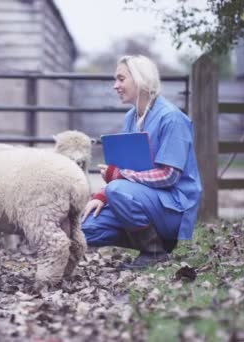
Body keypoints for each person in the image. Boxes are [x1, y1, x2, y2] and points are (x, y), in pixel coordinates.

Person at [80, 55, 202, 270]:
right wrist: (101, 195)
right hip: (141, 198)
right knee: (86, 229)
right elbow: (124, 168)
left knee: (118, 189)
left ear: (140, 79)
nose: (115, 85)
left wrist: (118, 179)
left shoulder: (171, 118)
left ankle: (154, 252)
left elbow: (168, 175)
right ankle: (155, 241)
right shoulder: (131, 117)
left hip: (172, 205)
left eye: (121, 79)